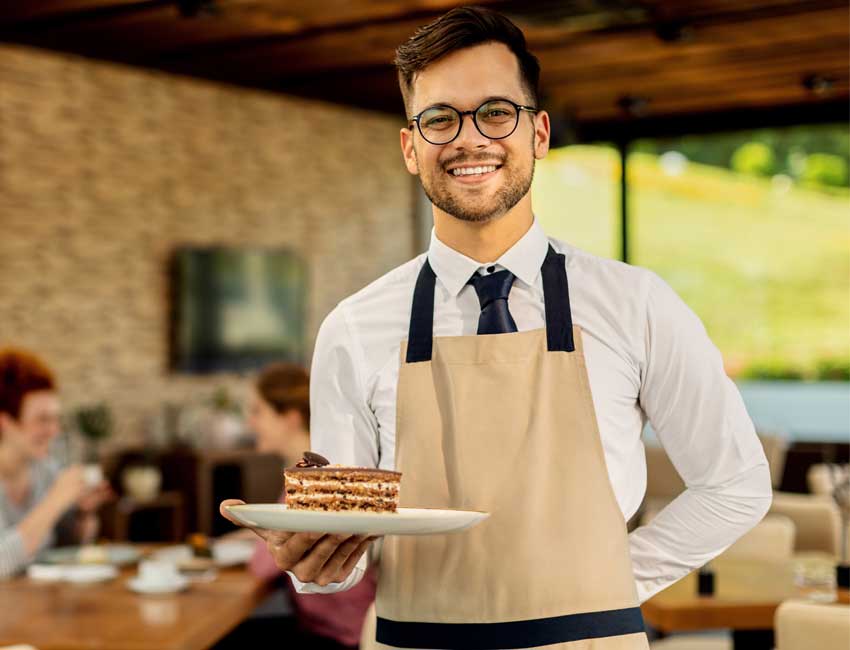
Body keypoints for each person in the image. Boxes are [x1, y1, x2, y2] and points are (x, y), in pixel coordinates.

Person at [222, 7, 772, 649]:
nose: (469, 139)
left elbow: (735, 484)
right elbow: (344, 548)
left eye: (495, 112)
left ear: (538, 133)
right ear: (410, 147)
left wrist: (607, 583)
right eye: (440, 119)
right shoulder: (353, 327)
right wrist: (315, 569)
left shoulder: (636, 304)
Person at [245, 363, 376, 650]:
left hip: (340, 636)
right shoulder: (325, 465)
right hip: (347, 627)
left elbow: (262, 566)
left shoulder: (310, 482)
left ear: (290, 418)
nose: (250, 423)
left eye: (258, 412)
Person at [0, 348, 113, 578]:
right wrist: (56, 500)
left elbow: (67, 547)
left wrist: (83, 513)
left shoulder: (46, 470)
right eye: (43, 419)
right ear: (6, 422)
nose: (54, 430)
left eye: (55, 419)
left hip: (40, 605)